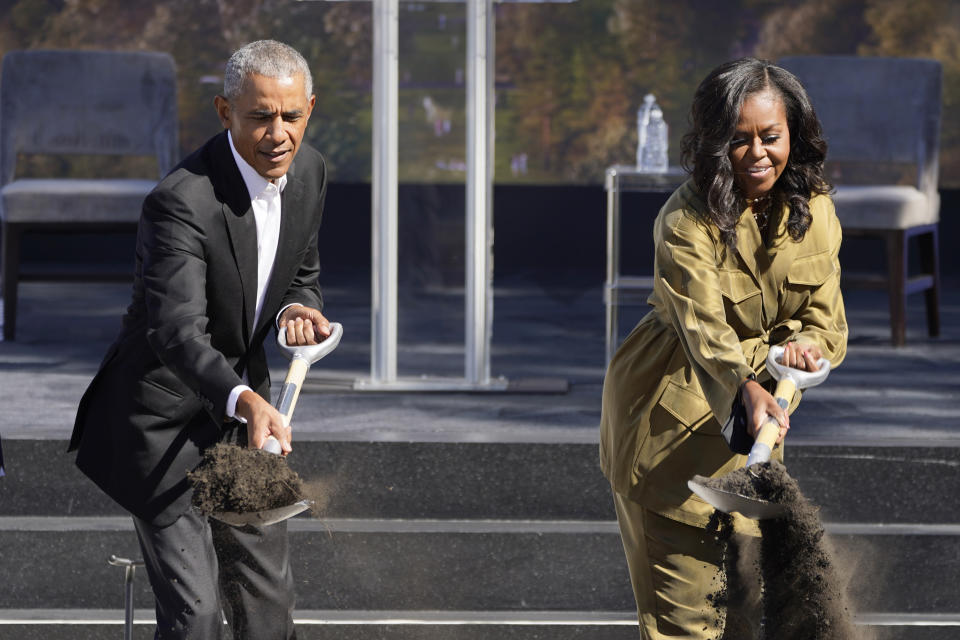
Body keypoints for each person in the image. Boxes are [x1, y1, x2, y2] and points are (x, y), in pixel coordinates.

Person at [69, 40, 332, 639]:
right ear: (224, 112)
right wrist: (245, 399)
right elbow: (175, 332)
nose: (278, 134)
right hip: (159, 425)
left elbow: (301, 272)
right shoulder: (179, 202)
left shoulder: (311, 173)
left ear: (309, 108)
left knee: (268, 611)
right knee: (198, 619)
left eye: (291, 116)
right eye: (259, 116)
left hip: (243, 423)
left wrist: (300, 308)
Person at [599, 57, 848, 639]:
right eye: (739, 140)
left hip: (754, 439)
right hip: (668, 432)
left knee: (739, 619)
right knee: (688, 624)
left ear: (796, 134)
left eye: (771, 136)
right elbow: (704, 328)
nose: (758, 153)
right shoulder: (685, 221)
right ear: (713, 144)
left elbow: (824, 320)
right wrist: (746, 387)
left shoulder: (817, 213)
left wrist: (805, 350)